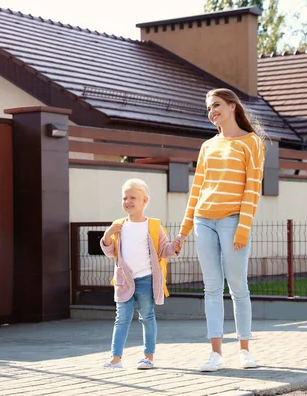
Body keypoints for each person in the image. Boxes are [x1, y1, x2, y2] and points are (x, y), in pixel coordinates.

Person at [176, 88, 266, 372]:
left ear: (232, 106)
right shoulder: (208, 146)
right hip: (204, 220)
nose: (212, 111)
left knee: (238, 287)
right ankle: (215, 354)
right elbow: (197, 189)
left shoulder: (252, 143)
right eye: (208, 108)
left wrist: (243, 228)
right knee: (212, 288)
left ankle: (244, 350)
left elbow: (253, 188)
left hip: (232, 221)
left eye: (216, 105)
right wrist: (184, 230)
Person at [100, 178, 182, 370]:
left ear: (145, 201)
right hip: (124, 281)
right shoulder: (118, 226)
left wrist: (175, 246)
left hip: (146, 280)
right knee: (121, 319)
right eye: (125, 197)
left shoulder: (153, 226)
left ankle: (148, 357)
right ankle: (115, 358)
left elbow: (164, 250)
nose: (128, 201)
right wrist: (107, 234)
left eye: (133, 197)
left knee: (147, 316)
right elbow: (110, 250)